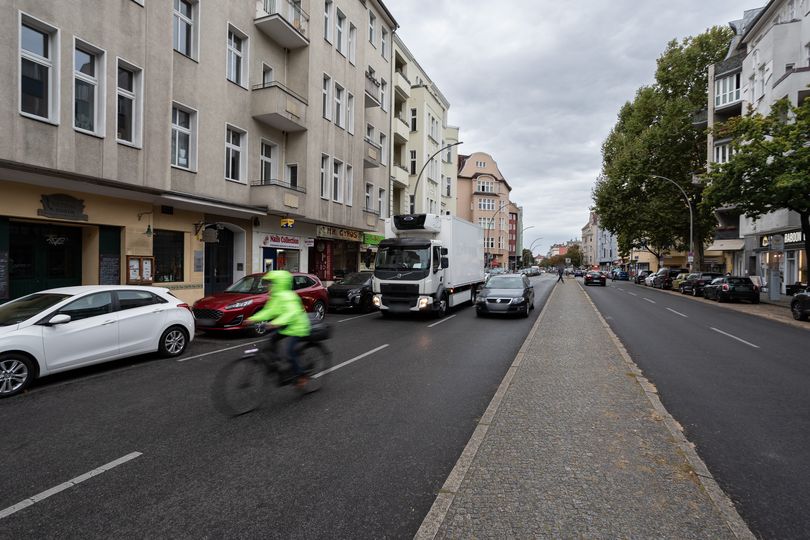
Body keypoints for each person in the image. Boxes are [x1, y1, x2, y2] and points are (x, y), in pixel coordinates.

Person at [247, 270, 312, 389]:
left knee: (290, 352)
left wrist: (276, 323)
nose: (268, 286)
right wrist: (253, 319)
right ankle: (278, 364)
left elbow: (292, 312)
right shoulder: (275, 296)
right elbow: (268, 311)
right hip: (286, 326)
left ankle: (302, 375)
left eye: (271, 283)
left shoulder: (288, 296)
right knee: (272, 340)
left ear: (279, 283)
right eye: (268, 283)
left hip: (298, 326)